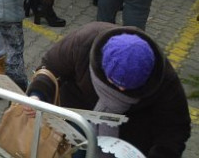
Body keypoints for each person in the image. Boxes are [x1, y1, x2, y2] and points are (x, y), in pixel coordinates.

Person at [25, 23, 191, 158]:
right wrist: (37, 96)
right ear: (102, 65)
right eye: (115, 83)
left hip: (127, 140)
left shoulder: (165, 79)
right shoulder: (83, 42)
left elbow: (175, 128)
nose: (121, 89)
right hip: (76, 121)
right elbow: (51, 67)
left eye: (129, 88)